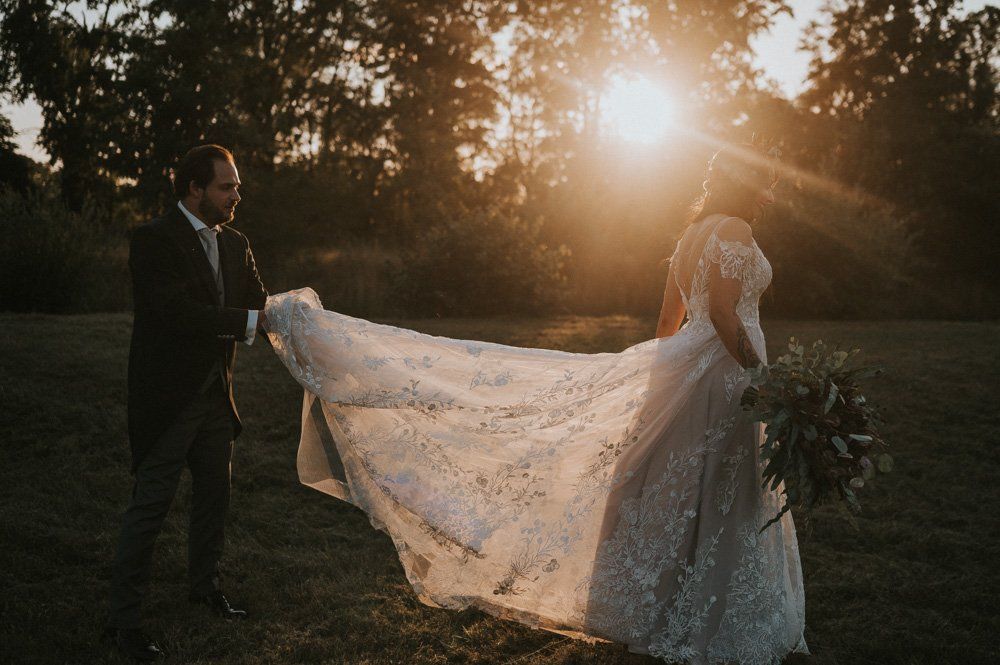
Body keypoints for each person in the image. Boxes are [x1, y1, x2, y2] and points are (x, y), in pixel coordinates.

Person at [262, 139, 809, 664]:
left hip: (692, 375)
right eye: (764, 181)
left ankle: (660, 611)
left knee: (679, 491)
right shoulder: (734, 229)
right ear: (744, 182)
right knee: (721, 494)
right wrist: (766, 378)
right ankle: (712, 618)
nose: (768, 192)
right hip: (728, 375)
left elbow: (668, 323)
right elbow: (721, 313)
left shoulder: (692, 233)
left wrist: (663, 381)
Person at [104, 145, 269, 661]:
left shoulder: (236, 242)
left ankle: (204, 588)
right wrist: (245, 322)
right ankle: (123, 622)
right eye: (227, 187)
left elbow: (260, 303)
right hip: (168, 400)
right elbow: (175, 313)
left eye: (236, 186)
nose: (236, 194)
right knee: (150, 507)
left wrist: (308, 319)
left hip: (217, 398)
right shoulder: (152, 240)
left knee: (214, 499)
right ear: (195, 188)